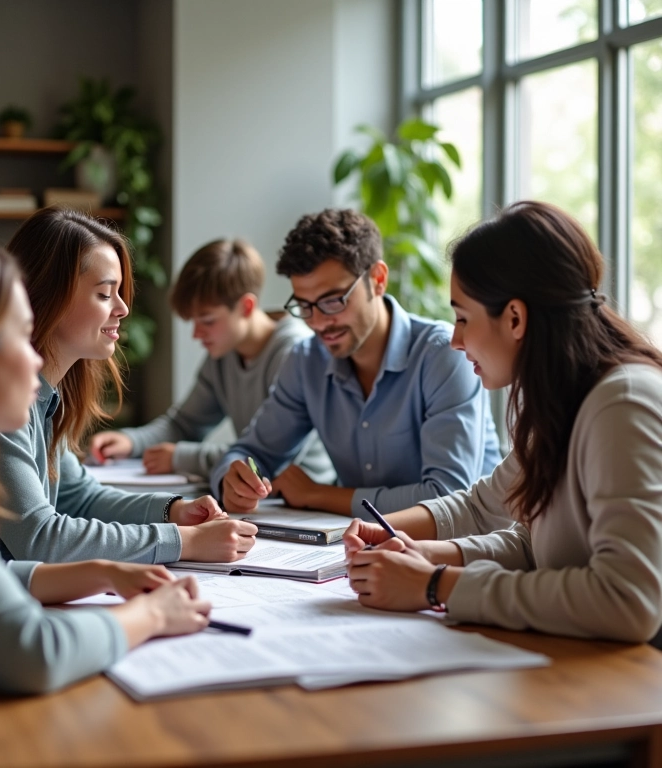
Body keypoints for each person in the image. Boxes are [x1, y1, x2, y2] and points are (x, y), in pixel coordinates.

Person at [0, 235, 213, 763]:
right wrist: (153, 616)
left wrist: (102, 572)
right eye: (23, 338)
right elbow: (32, 654)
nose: (36, 361)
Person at [344, 201, 662, 645]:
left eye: (461, 318)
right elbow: (525, 539)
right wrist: (419, 551)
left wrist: (435, 585)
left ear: (514, 317)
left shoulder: (621, 405)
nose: (454, 340)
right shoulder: (561, 401)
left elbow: (628, 600)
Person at [0, 207, 257, 564]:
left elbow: (80, 497)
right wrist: (183, 541)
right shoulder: (0, 402)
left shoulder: (47, 398)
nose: (123, 308)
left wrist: (174, 511)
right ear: (47, 295)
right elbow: (40, 538)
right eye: (105, 294)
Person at [212, 208, 501, 515]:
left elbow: (447, 497)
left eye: (333, 300)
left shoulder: (444, 355)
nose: (320, 322)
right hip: (363, 548)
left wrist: (318, 495)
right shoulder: (306, 361)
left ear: (377, 280)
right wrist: (232, 480)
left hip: (469, 549)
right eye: (305, 306)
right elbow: (251, 451)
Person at [89, 238, 333, 482]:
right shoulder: (224, 352)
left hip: (305, 500)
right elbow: (185, 425)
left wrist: (181, 457)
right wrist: (131, 442)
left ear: (246, 306)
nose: (196, 334)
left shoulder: (295, 351)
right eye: (193, 321)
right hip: (260, 495)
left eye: (207, 321)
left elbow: (271, 456)